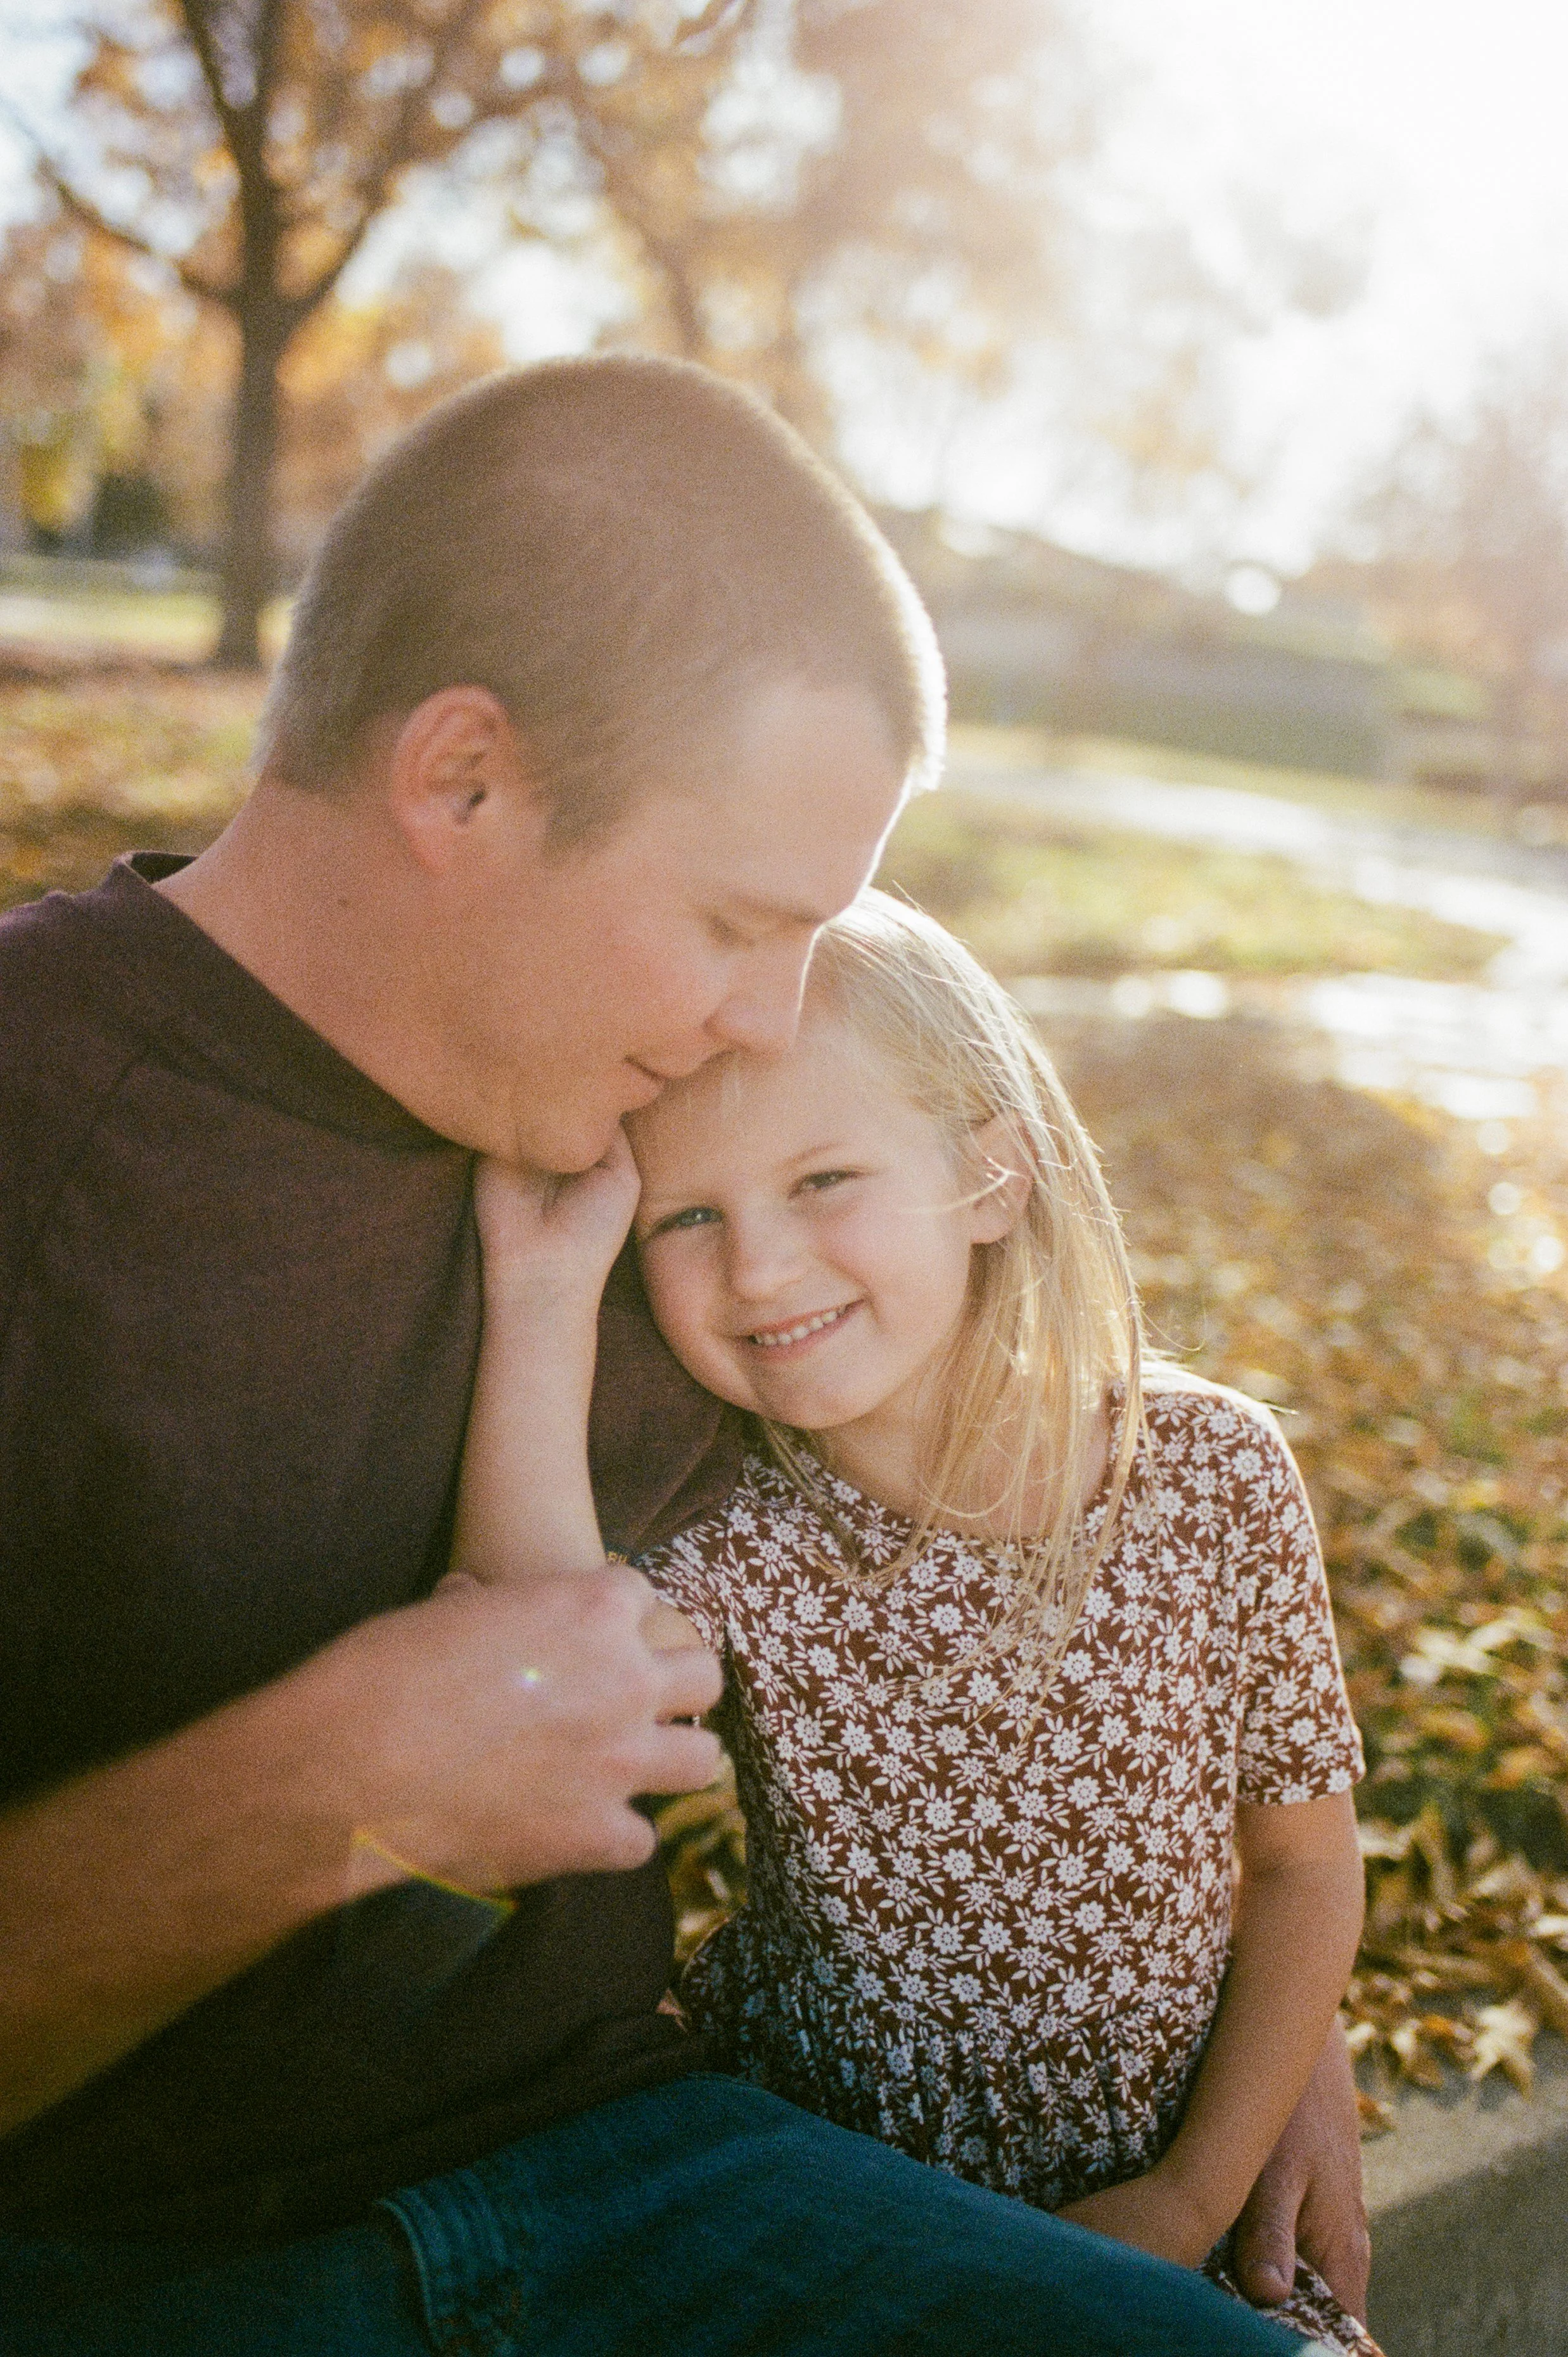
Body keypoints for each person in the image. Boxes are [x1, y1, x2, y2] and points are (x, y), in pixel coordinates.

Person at [0, 355, 1359, 2354]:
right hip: (130, 2253)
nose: (765, 1023)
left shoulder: (658, 1131)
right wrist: (328, 1791)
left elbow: (1075, 1567)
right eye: (736, 919)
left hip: (643, 2164)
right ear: (461, 780)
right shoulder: (42, 1127)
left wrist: (1267, 2016)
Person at [457, 888, 1380, 2355]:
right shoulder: (738, 1536)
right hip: (841, 2193)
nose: (757, 1268)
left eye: (823, 1180)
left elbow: (1302, 1864)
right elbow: (521, 1667)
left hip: (1169, 2174)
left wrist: (1190, 2193)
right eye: (689, 1216)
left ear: (990, 1180)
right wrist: (546, 1290)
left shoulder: (1210, 1472)